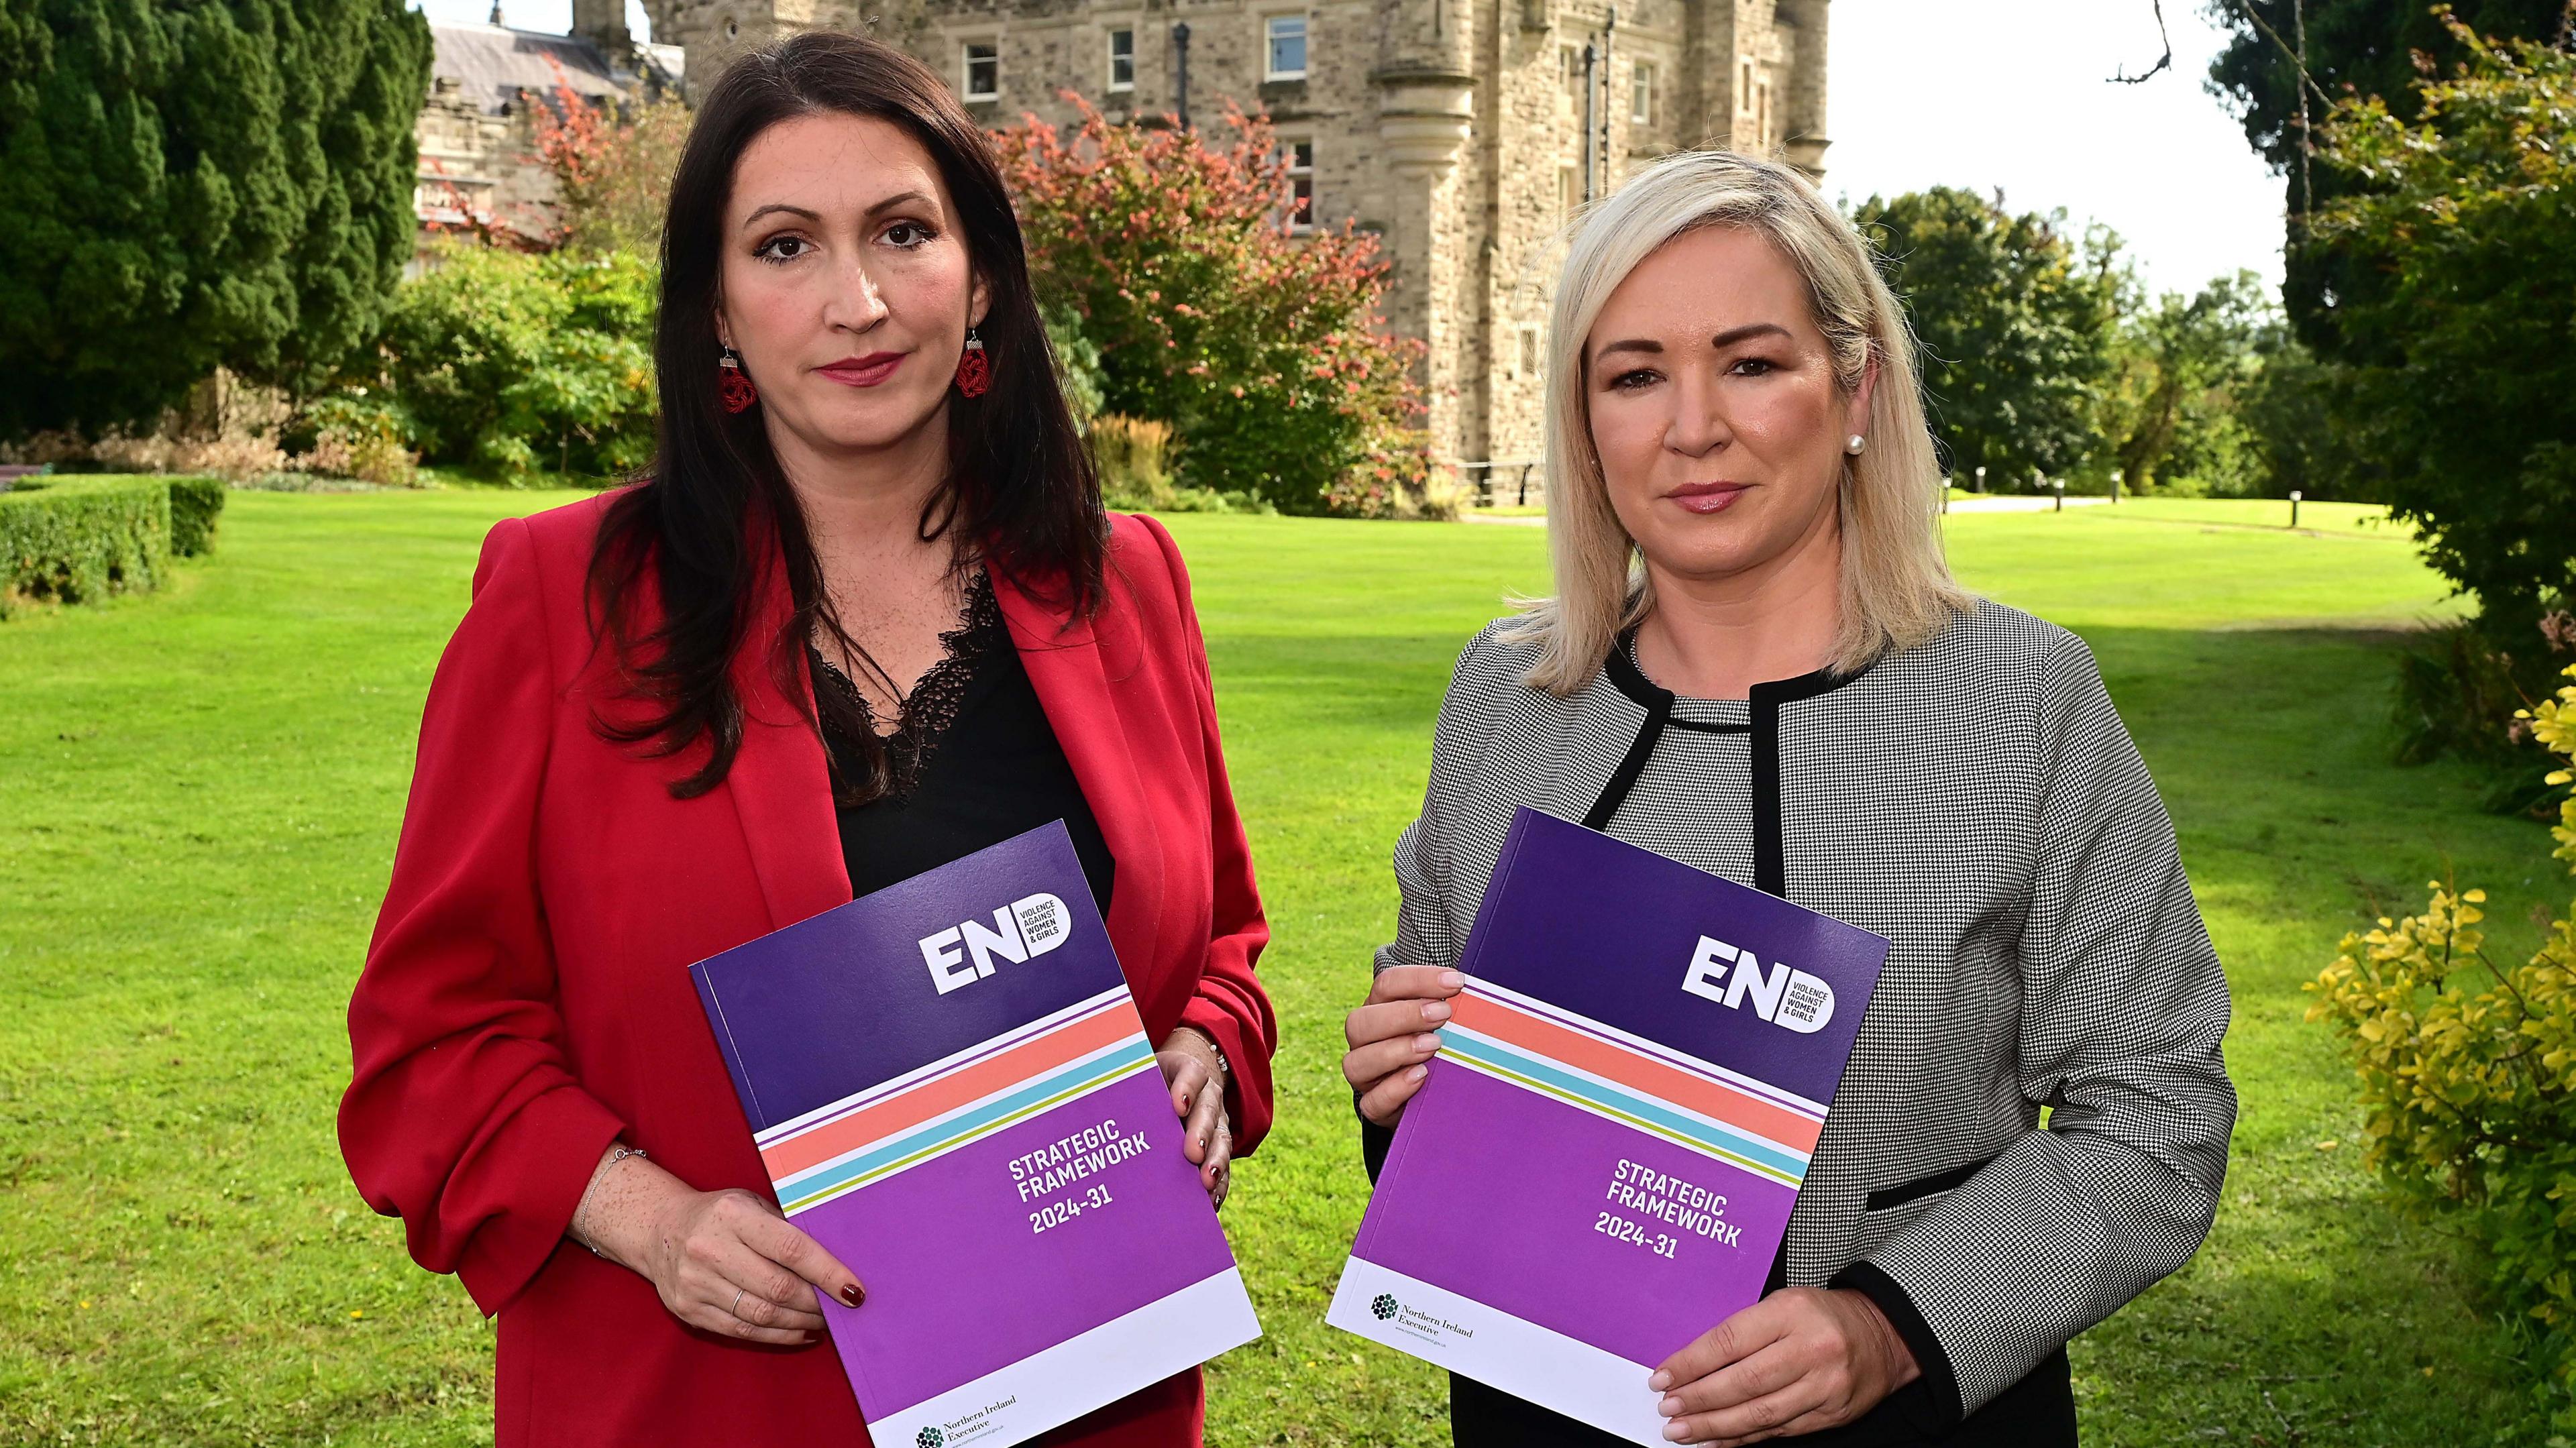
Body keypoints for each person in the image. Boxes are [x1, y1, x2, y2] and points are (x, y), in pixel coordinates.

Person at [338, 32, 1275, 1448]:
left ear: (980, 284)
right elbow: (428, 1047)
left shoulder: (1125, 581)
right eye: (784, 246)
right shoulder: (564, 599)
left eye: (904, 231)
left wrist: (1210, 1052)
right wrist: (649, 1221)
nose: (858, 300)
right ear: (716, 309)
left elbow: (1220, 943)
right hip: (706, 1399)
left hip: (1090, 1393)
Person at [1340, 150, 2235, 1446]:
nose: (1693, 426)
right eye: (1635, 374)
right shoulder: (1507, 697)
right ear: (1586, 425)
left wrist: (1890, 1324)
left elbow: (2155, 1113)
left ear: (1856, 386)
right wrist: (1402, 1083)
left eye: (1752, 363)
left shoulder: (2018, 697)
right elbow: (1437, 1102)